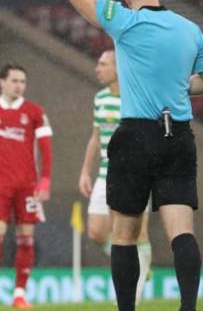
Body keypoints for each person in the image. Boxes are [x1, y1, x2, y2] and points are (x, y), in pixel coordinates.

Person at [43, 0, 203, 310]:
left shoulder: (123, 20)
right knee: (181, 233)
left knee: (123, 236)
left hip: (135, 136)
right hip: (178, 135)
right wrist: (181, 87)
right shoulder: (190, 29)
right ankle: (188, 308)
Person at [0, 63, 53, 310]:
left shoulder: (35, 112)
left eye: (23, 82)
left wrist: (45, 180)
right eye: (15, 81)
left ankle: (19, 294)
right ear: (2, 82)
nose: (19, 86)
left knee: (26, 238)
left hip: (27, 186)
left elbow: (47, 150)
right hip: (0, 185)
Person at [78, 50, 152, 303]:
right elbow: (95, 137)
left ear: (119, 69)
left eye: (103, 64)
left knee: (136, 234)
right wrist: (85, 171)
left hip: (133, 174)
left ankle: (136, 293)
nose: (97, 68)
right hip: (104, 174)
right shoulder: (99, 98)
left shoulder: (136, 98)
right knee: (97, 232)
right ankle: (133, 262)